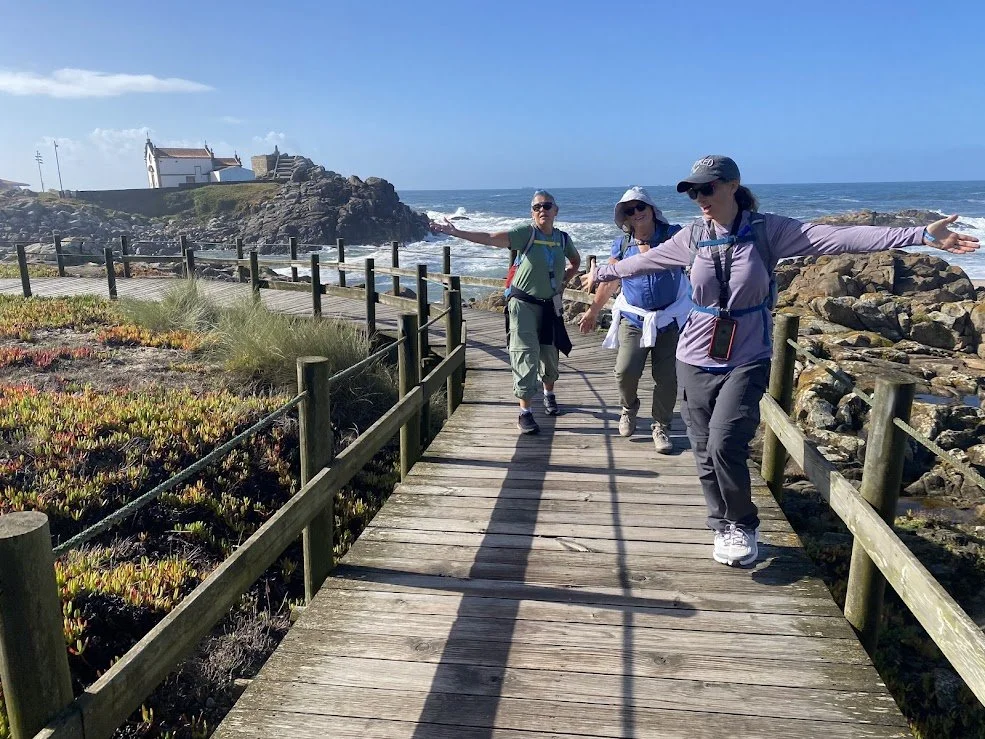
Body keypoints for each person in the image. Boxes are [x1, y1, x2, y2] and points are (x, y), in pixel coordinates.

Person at [582, 155, 979, 567]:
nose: (700, 197)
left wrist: (918, 234)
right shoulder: (693, 235)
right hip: (694, 354)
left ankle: (743, 523)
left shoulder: (768, 230)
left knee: (724, 443)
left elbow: (839, 238)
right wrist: (607, 272)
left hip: (747, 354)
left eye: (708, 188)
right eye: (693, 191)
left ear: (732, 185)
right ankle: (720, 524)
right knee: (702, 448)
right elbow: (647, 260)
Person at [431, 190, 581, 434]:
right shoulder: (526, 233)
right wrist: (456, 232)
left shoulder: (562, 239)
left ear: (556, 210)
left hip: (549, 305)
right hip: (523, 305)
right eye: (536, 207)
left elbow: (575, 261)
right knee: (525, 353)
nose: (542, 210)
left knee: (550, 353)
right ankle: (525, 412)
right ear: (532, 213)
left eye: (547, 205)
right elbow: (491, 237)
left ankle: (549, 394)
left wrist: (562, 282)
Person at [579, 186, 691, 453]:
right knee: (625, 371)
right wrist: (593, 311)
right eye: (629, 210)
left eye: (641, 207)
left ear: (652, 209)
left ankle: (661, 426)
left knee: (667, 379)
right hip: (634, 318)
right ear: (625, 217)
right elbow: (611, 278)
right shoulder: (623, 244)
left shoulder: (671, 235)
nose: (637, 213)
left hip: (670, 318)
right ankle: (628, 408)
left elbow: (697, 256)